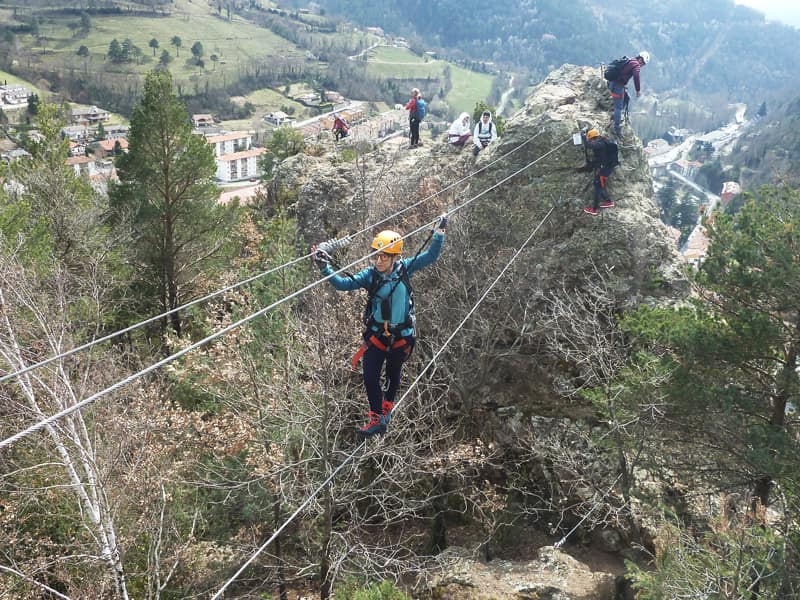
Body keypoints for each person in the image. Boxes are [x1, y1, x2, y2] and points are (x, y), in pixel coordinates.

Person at [313, 217, 447, 436]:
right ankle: (376, 418)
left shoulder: (406, 269)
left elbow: (431, 256)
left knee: (393, 373)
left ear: (395, 257)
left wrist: (439, 232)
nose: (379, 260)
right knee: (370, 377)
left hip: (402, 335)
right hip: (377, 335)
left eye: (384, 256)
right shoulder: (370, 275)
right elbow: (343, 284)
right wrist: (324, 268)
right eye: (376, 255)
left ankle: (387, 407)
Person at [608, 51, 649, 137]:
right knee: (618, 107)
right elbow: (636, 76)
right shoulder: (636, 65)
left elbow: (623, 73)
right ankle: (616, 129)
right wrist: (638, 90)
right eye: (643, 63)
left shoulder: (630, 60)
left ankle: (615, 117)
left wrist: (624, 85)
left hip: (612, 83)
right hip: (617, 86)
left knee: (626, 98)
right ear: (641, 59)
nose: (642, 66)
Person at [581, 128, 618, 216]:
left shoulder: (600, 144)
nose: (591, 141)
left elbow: (589, 145)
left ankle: (594, 209)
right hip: (605, 168)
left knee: (598, 187)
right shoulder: (603, 140)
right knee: (599, 185)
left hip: (604, 169)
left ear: (593, 138)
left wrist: (583, 137)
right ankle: (608, 202)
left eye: (591, 139)